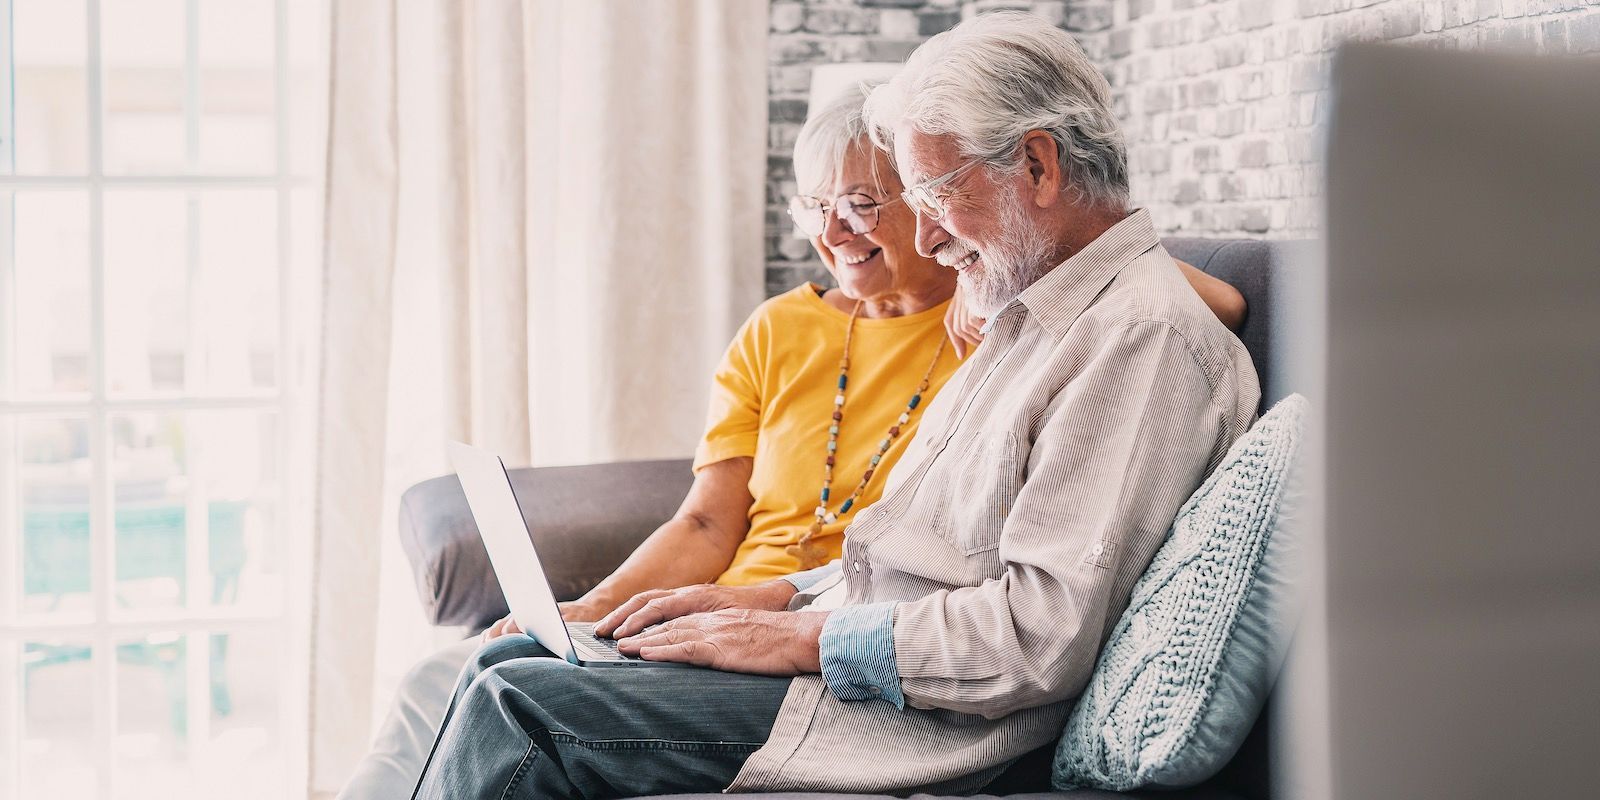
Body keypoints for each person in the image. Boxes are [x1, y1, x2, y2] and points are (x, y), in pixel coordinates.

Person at [341, 73, 1248, 798]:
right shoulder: (1030, 317)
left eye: (928, 193)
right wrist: (769, 603)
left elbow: (1036, 639)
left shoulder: (1136, 338)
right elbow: (904, 554)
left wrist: (800, 638)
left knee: (515, 702)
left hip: (914, 718)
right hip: (850, 653)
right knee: (503, 657)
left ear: (1040, 168)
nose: (926, 240)